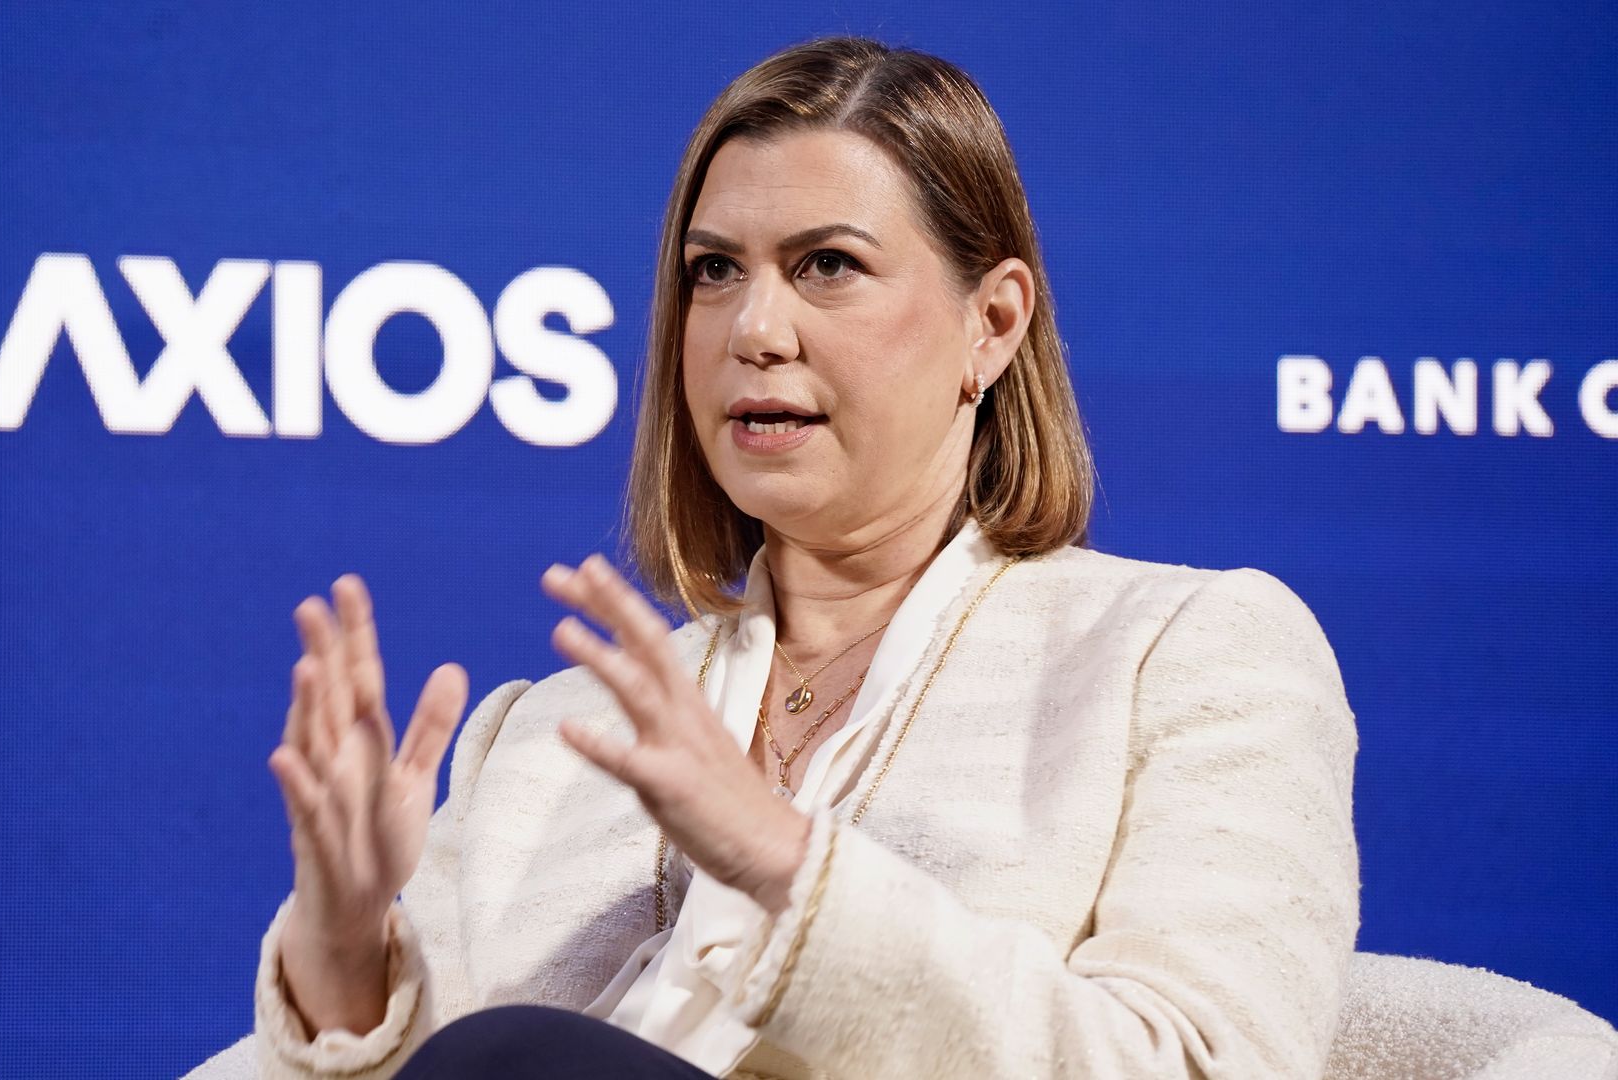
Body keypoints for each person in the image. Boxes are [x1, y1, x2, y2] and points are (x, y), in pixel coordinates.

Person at [251, 34, 1360, 1080]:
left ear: (993, 323)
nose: (753, 330)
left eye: (827, 265)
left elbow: (1206, 1064)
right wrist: (344, 956)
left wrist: (787, 866)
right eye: (714, 271)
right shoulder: (547, 738)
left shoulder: (1188, 658)